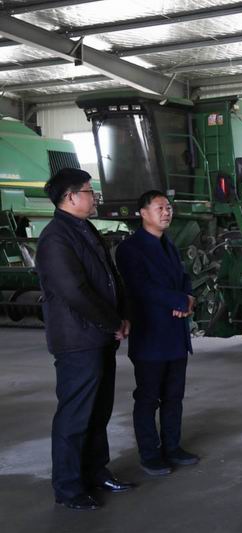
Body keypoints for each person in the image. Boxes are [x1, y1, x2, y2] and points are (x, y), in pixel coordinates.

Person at [36, 168, 134, 510]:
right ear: (70, 196)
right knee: (76, 414)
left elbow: (109, 278)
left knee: (98, 410)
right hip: (78, 339)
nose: (95, 198)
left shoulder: (83, 228)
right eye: (90, 191)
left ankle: (96, 471)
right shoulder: (55, 238)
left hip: (98, 335)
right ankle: (68, 487)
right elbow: (74, 291)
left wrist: (122, 316)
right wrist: (112, 322)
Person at [115, 190, 199, 476]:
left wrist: (188, 298)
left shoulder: (169, 244)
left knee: (174, 397)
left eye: (169, 207)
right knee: (148, 398)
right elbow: (140, 287)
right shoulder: (130, 249)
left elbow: (184, 277)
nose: (166, 212)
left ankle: (172, 447)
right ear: (143, 213)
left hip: (175, 334)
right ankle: (150, 455)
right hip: (151, 335)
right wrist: (178, 301)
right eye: (160, 208)